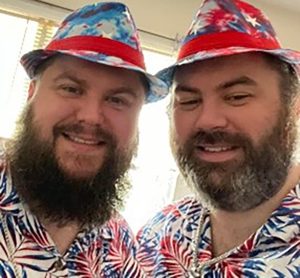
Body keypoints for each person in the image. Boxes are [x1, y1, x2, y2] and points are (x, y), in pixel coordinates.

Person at [0, 2, 167, 277]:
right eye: (71, 88)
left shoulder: (121, 246)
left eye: (117, 100)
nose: (91, 117)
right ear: (31, 94)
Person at [137, 0, 300, 277]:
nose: (208, 120)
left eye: (237, 97)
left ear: (293, 108)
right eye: (188, 101)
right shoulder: (158, 234)